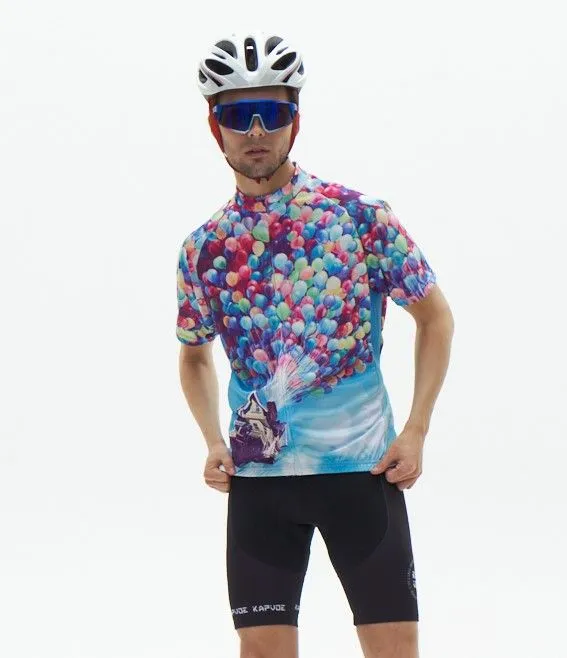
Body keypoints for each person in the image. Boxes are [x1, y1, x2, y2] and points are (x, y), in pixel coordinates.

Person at [176, 30, 454, 658]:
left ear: (294, 121)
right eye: (237, 115)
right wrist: (213, 441)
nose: (255, 130)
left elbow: (435, 319)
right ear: (215, 128)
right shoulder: (203, 248)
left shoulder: (359, 217)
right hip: (259, 484)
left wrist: (416, 430)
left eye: (270, 112)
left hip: (362, 473)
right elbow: (193, 355)